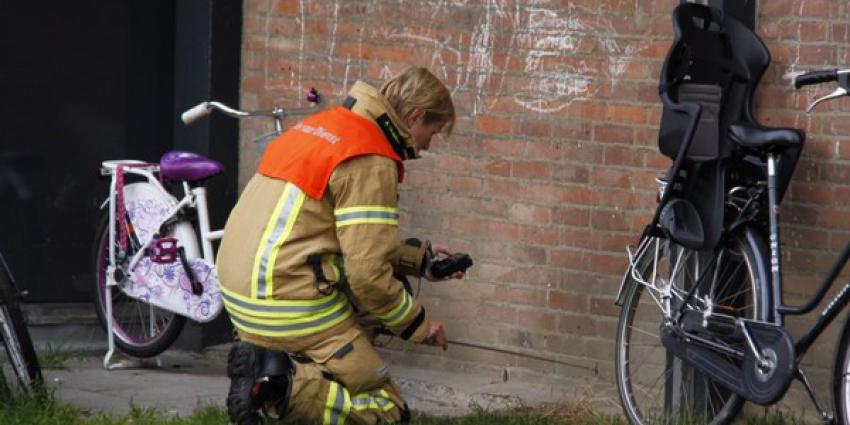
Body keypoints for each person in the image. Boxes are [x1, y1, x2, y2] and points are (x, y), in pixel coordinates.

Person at [216, 66, 462, 425]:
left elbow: (341, 238)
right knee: (388, 408)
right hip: (286, 304)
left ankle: (281, 368)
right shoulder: (370, 155)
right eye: (432, 131)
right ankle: (280, 388)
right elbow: (367, 275)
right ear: (415, 117)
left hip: (240, 298)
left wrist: (419, 260)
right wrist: (419, 326)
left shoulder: (326, 127)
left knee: (365, 313)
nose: (427, 145)